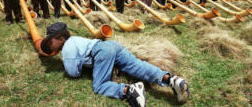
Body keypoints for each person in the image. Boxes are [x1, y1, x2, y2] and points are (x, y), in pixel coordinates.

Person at [39, 22, 190, 107]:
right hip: (111, 46)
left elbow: (73, 73)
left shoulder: (67, 48)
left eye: (50, 41)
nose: (50, 46)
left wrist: (76, 65)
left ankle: (130, 90)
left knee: (100, 85)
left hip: (101, 53)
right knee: (136, 65)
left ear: (60, 38)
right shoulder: (76, 39)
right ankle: (171, 80)